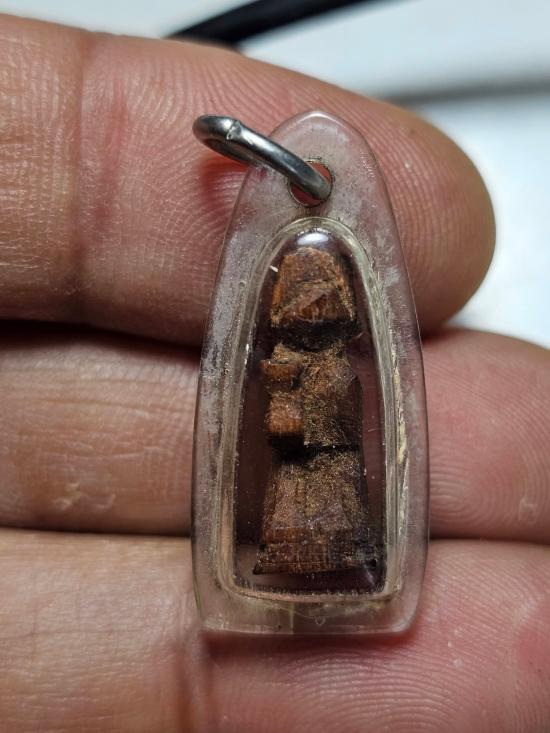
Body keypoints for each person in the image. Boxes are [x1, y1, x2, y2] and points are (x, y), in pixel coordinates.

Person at [0, 13, 548, 732]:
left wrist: (296, 406)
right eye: (291, 306)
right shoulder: (289, 353)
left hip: (327, 478)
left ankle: (335, 562)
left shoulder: (334, 367)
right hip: (291, 482)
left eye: (307, 307)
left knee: (327, 514)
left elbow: (333, 422)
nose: (295, 316)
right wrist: (282, 399)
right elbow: (278, 422)